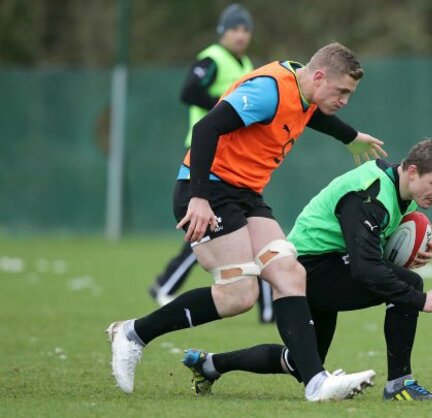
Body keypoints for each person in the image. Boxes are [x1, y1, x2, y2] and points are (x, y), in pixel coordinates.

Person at [107, 42, 387, 401]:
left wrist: (350, 136)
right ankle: (132, 334)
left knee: (290, 272)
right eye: (342, 91)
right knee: (238, 295)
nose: (345, 100)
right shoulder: (269, 91)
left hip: (245, 195)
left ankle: (316, 382)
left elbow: (308, 114)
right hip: (209, 190)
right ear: (319, 76)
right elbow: (206, 128)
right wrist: (199, 197)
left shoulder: (304, 92)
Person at [180, 139, 432, 401]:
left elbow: (374, 243)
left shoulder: (399, 189)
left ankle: (209, 365)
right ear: (412, 171)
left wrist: (415, 249)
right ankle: (400, 385)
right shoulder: (369, 195)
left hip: (326, 265)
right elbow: (365, 267)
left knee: (300, 363)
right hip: (308, 269)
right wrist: (419, 300)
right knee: (409, 285)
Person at [149, 4, 273, 323]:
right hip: (205, 151)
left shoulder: (246, 64)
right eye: (234, 29)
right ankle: (166, 285)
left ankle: (268, 308)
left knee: (226, 230)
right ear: (222, 32)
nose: (241, 35)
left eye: (245, 30)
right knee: (212, 230)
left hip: (230, 154)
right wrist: (223, 106)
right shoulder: (212, 58)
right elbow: (188, 91)